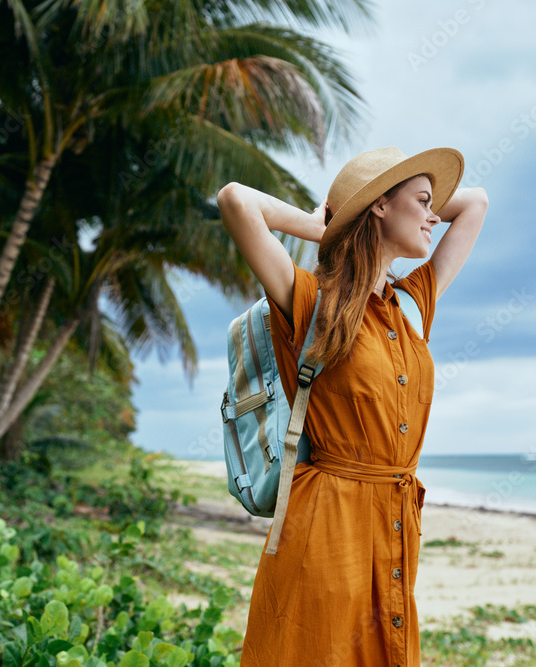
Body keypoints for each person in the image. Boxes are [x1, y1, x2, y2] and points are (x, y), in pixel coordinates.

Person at [217, 146, 488, 666]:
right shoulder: (310, 298)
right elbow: (236, 201)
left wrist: (409, 198)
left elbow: (475, 202)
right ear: (379, 207)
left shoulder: (411, 301)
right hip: (324, 524)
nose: (435, 215)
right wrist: (327, 227)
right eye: (424, 201)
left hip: (394, 518)